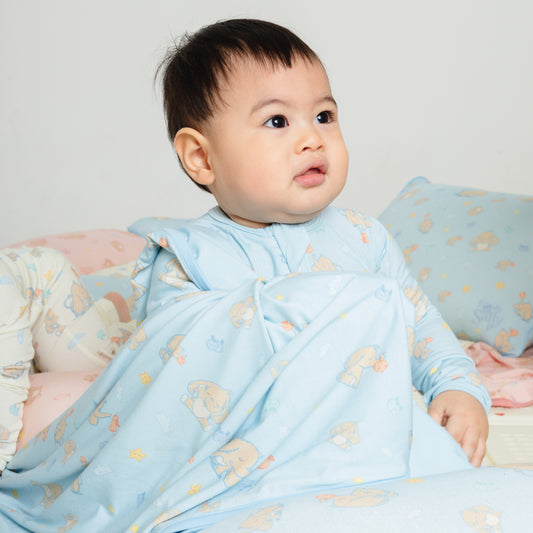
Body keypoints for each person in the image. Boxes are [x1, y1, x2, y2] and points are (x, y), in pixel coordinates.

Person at [151, 18, 489, 465]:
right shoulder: (189, 258)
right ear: (201, 157)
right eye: (277, 121)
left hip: (369, 432)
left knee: (448, 470)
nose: (312, 139)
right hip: (254, 453)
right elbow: (169, 374)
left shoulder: (364, 237)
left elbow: (420, 325)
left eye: (324, 117)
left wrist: (457, 387)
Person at [0, 246, 136, 473]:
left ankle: (116, 320)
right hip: (17, 313)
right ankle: (102, 312)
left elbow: (8, 377)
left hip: (47, 292)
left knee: (95, 370)